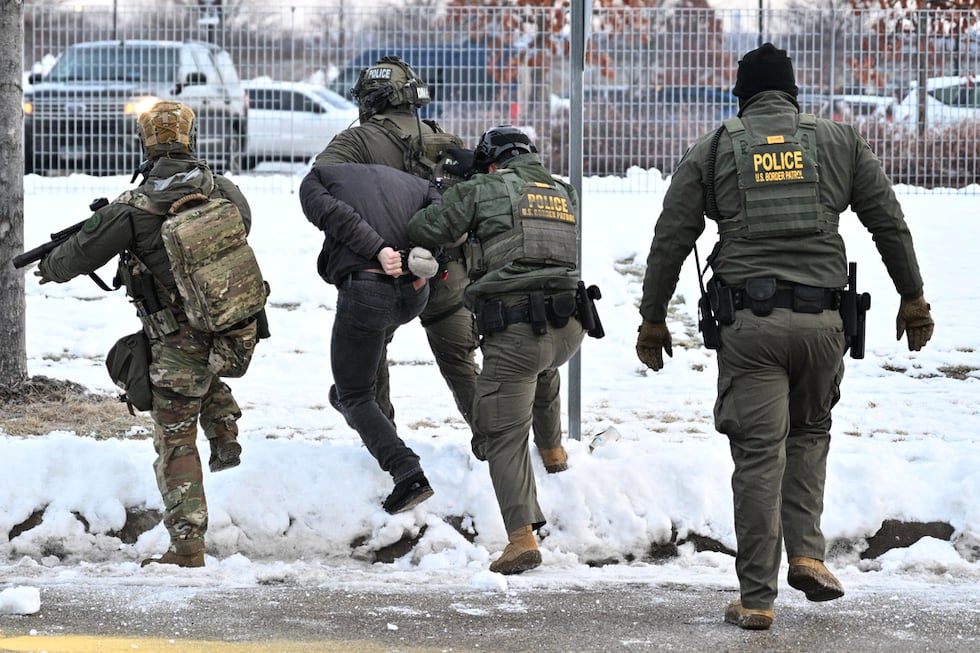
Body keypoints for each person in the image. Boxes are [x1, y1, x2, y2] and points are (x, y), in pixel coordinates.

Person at [635, 43, 935, 629]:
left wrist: (651, 317)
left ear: (742, 96)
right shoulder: (838, 141)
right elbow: (887, 222)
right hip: (825, 325)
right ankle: (806, 553)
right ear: (794, 93)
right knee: (810, 433)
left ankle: (756, 599)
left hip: (752, 329)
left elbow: (671, 236)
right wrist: (913, 297)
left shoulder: (717, 145)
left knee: (757, 456)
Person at [35, 101, 264, 568]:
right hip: (228, 324)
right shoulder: (223, 189)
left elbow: (76, 257)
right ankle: (225, 435)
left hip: (175, 337)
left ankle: (187, 547)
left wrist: (49, 266)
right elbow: (241, 228)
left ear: (147, 144)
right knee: (200, 370)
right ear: (191, 139)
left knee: (174, 440)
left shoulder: (134, 206)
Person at [408, 126, 587, 574]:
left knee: (502, 432)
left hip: (516, 331)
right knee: (544, 370)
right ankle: (554, 453)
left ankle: (521, 538)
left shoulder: (482, 188)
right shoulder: (563, 191)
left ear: (490, 163)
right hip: (569, 326)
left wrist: (460, 189)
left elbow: (426, 227)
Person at [313, 55, 480, 429]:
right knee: (461, 365)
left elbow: (321, 181)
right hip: (447, 272)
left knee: (368, 357)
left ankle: (383, 439)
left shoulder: (356, 140)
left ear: (369, 100)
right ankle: (492, 443)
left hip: (383, 272)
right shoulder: (446, 140)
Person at [299, 162, 442, 514]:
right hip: (414, 292)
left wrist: (378, 248)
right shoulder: (418, 183)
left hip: (367, 292)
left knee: (353, 393)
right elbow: (441, 219)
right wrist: (419, 257)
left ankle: (406, 472)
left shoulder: (316, 178)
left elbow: (334, 215)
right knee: (356, 375)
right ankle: (363, 412)